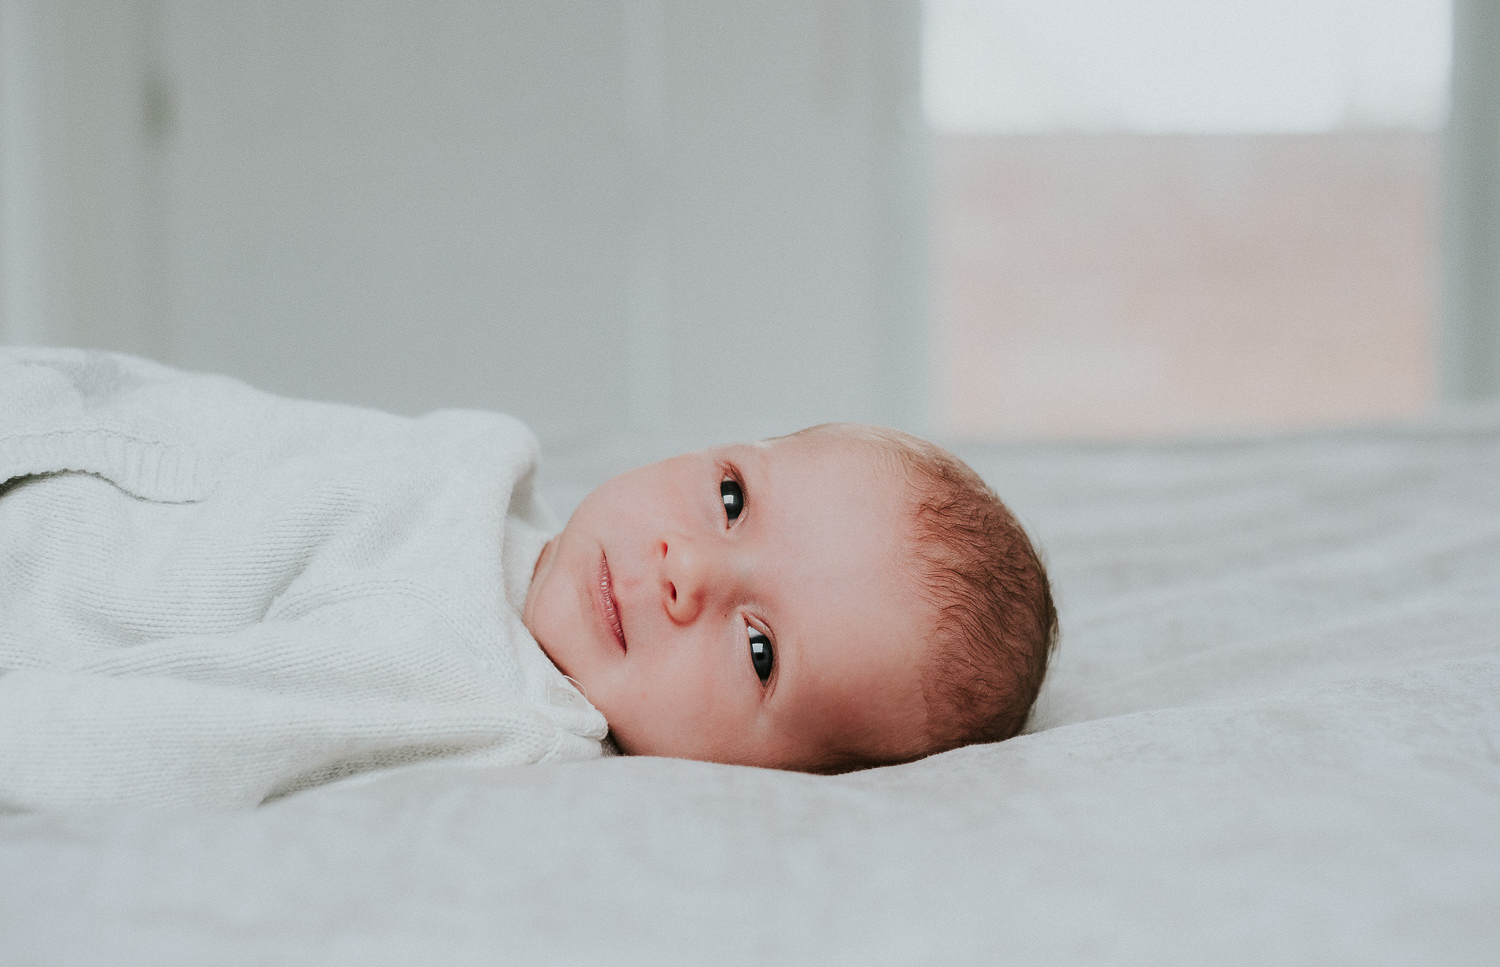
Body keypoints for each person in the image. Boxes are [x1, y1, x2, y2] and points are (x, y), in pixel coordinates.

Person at [0, 348, 1055, 810]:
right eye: (731, 499)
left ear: (779, 778)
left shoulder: (471, 684)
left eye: (760, 648)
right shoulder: (492, 471)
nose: (685, 567)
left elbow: (172, 735)